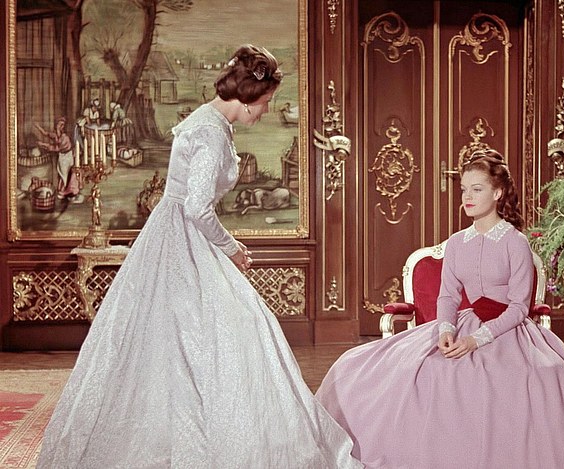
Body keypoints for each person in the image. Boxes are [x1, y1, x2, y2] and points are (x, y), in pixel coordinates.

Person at [38, 45, 361, 469]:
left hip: (175, 235)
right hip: (184, 238)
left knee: (190, 338)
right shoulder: (210, 132)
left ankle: (190, 435)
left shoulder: (208, 122)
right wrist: (232, 248)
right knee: (215, 333)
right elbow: (196, 208)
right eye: (266, 102)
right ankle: (202, 443)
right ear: (248, 97)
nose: (266, 110)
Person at [315, 150, 564, 468]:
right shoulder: (457, 243)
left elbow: (519, 308)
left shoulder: (515, 242)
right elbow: (448, 297)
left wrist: (476, 340)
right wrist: (446, 330)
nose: (467, 197)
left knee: (530, 385)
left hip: (509, 331)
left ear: (497, 193)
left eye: (477, 189)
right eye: (464, 189)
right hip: (462, 324)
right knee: (388, 370)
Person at [34, 117, 81, 200]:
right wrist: (38, 127)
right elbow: (45, 133)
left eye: (60, 125)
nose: (58, 126)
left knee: (65, 174)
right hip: (62, 157)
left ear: (62, 127)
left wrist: (43, 144)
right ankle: (62, 190)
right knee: (61, 174)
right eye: (58, 124)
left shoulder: (65, 138)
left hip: (67, 157)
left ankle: (67, 191)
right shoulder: (56, 135)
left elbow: (56, 148)